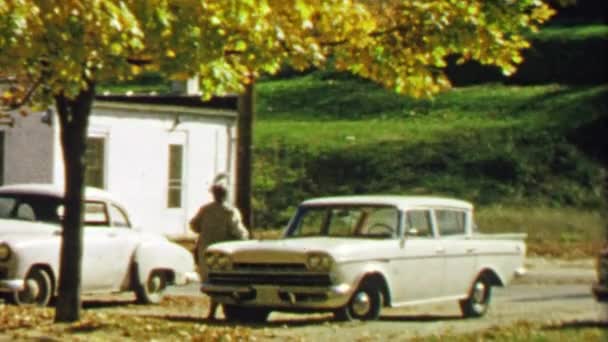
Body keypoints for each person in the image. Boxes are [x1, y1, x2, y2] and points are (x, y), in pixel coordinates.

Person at [189, 174, 249, 320]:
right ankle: (219, 310)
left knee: (211, 280)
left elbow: (193, 225)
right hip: (223, 252)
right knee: (222, 281)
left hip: (206, 250)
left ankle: (215, 311)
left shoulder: (205, 210)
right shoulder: (230, 212)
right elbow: (239, 232)